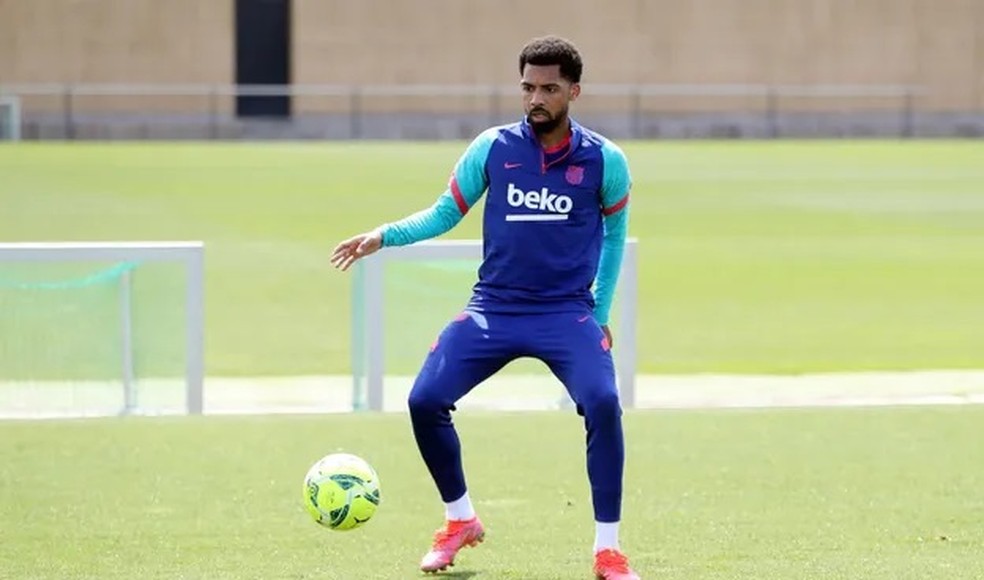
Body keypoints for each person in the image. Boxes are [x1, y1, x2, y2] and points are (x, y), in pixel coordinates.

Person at [331, 35, 639, 580]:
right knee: (424, 399)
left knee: (604, 403)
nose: (535, 98)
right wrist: (383, 235)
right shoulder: (492, 149)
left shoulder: (605, 161)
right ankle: (460, 521)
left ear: (574, 90)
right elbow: (443, 213)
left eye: (548, 88)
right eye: (527, 87)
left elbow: (615, 238)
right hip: (493, 308)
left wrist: (600, 311)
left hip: (566, 313)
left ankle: (608, 550)